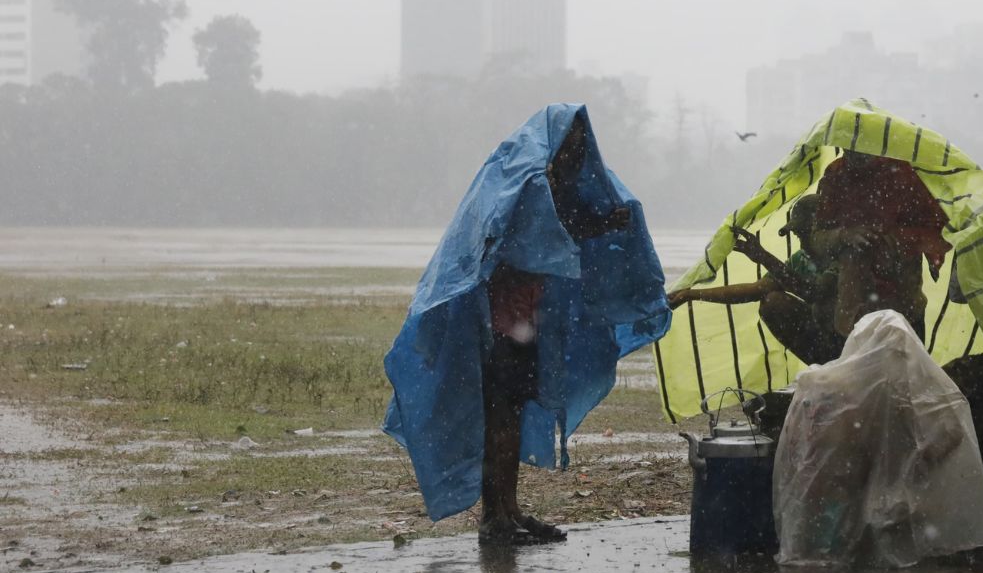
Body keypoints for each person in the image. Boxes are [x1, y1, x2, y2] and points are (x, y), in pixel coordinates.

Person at [384, 105, 670, 547]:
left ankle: (508, 510)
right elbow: (531, 238)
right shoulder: (528, 186)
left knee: (510, 420)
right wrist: (589, 224)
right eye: (570, 143)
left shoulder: (546, 186)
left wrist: (604, 224)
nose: (576, 153)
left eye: (580, 144)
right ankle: (493, 519)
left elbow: (562, 231)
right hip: (501, 328)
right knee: (499, 420)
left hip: (526, 325)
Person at [667, 196, 844, 365]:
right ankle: (826, 368)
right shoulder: (802, 259)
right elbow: (755, 290)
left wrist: (765, 258)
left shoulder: (846, 256)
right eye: (799, 236)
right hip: (827, 341)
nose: (803, 243)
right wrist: (690, 295)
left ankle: (838, 367)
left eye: (807, 234)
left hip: (854, 341)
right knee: (773, 303)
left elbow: (815, 292)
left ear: (826, 230)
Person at [809, 151, 950, 340]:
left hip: (904, 310)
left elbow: (941, 233)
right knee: (859, 368)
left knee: (906, 368)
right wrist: (843, 235)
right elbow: (817, 239)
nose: (853, 149)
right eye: (847, 140)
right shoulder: (836, 175)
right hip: (853, 313)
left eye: (859, 138)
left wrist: (893, 239)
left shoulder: (903, 172)